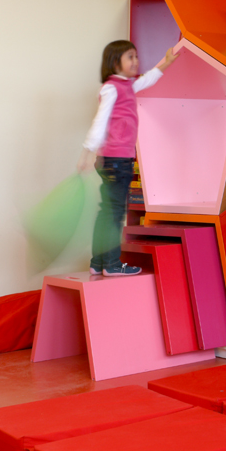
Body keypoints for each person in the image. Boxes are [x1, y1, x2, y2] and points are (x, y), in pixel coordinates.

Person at [78, 40, 178, 276]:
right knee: (114, 214)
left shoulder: (127, 86)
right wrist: (86, 152)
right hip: (116, 160)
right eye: (130, 57)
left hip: (113, 160)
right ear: (115, 63)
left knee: (107, 212)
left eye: (136, 56)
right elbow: (100, 121)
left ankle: (98, 262)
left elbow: (147, 79)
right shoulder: (112, 88)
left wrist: (167, 63)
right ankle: (112, 264)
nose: (136, 61)